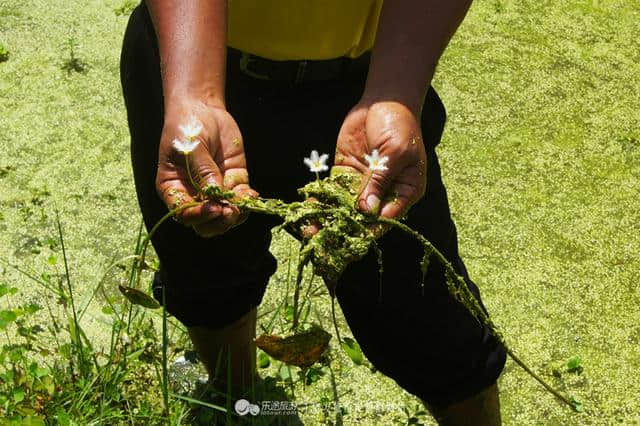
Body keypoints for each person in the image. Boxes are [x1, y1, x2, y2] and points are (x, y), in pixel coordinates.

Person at [120, 1, 506, 424]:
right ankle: (239, 402)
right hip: (188, 61)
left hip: (370, 90)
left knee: (430, 317)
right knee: (205, 273)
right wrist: (194, 93)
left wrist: (396, 92)